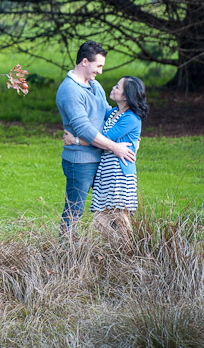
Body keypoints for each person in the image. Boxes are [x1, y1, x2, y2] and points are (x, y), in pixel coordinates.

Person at [55, 41, 136, 236]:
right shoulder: (69, 90)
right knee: (74, 212)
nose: (100, 71)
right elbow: (83, 128)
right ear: (84, 62)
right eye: (98, 65)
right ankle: (65, 256)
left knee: (111, 210)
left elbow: (107, 113)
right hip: (80, 161)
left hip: (101, 159)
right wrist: (115, 147)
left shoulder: (94, 85)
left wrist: (133, 133)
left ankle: (119, 252)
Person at [63, 76, 148, 242]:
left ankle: (131, 253)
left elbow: (103, 138)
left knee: (119, 216)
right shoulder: (114, 113)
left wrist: (76, 141)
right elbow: (98, 115)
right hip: (106, 172)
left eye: (117, 87)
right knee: (99, 221)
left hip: (119, 173)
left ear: (126, 96)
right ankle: (120, 251)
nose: (113, 88)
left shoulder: (130, 118)